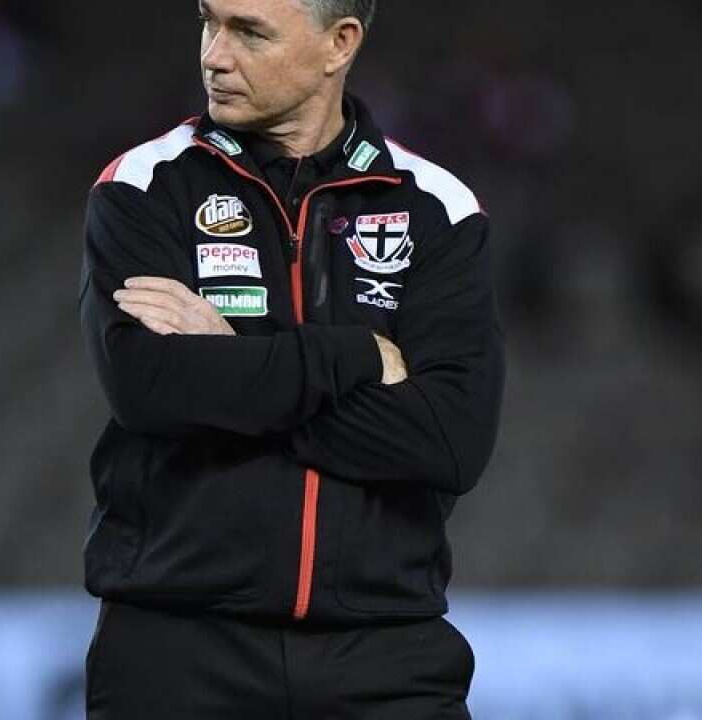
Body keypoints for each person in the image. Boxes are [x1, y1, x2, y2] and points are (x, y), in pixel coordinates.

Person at [77, 1, 505, 717]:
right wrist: (358, 354)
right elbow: (151, 387)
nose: (214, 54)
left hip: (387, 657)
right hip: (178, 654)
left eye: (249, 31)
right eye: (209, 22)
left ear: (340, 44)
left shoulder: (437, 208)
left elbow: (450, 440)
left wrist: (233, 362)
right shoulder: (143, 187)